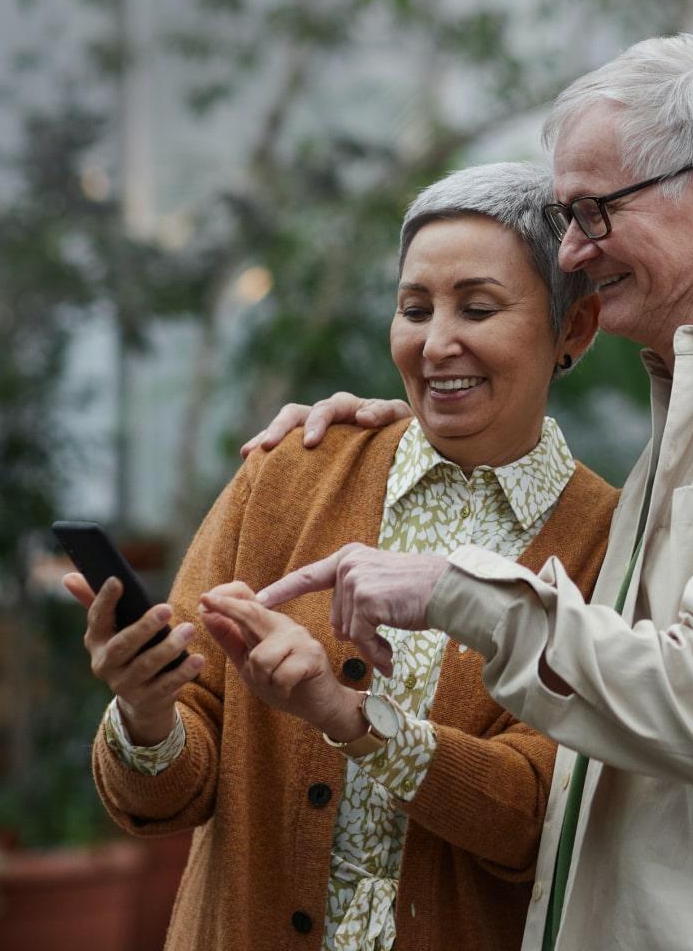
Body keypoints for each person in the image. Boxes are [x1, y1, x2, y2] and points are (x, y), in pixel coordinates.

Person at [252, 33, 693, 951]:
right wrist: (430, 417)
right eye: (415, 310)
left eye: (592, 212)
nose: (573, 250)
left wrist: (450, 589)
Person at [64, 162, 617, 951]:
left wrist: (347, 716)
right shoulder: (291, 471)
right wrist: (148, 714)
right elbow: (167, 795)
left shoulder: (608, 541)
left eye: (479, 307)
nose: (437, 342)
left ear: (576, 329)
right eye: (414, 308)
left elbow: (542, 821)